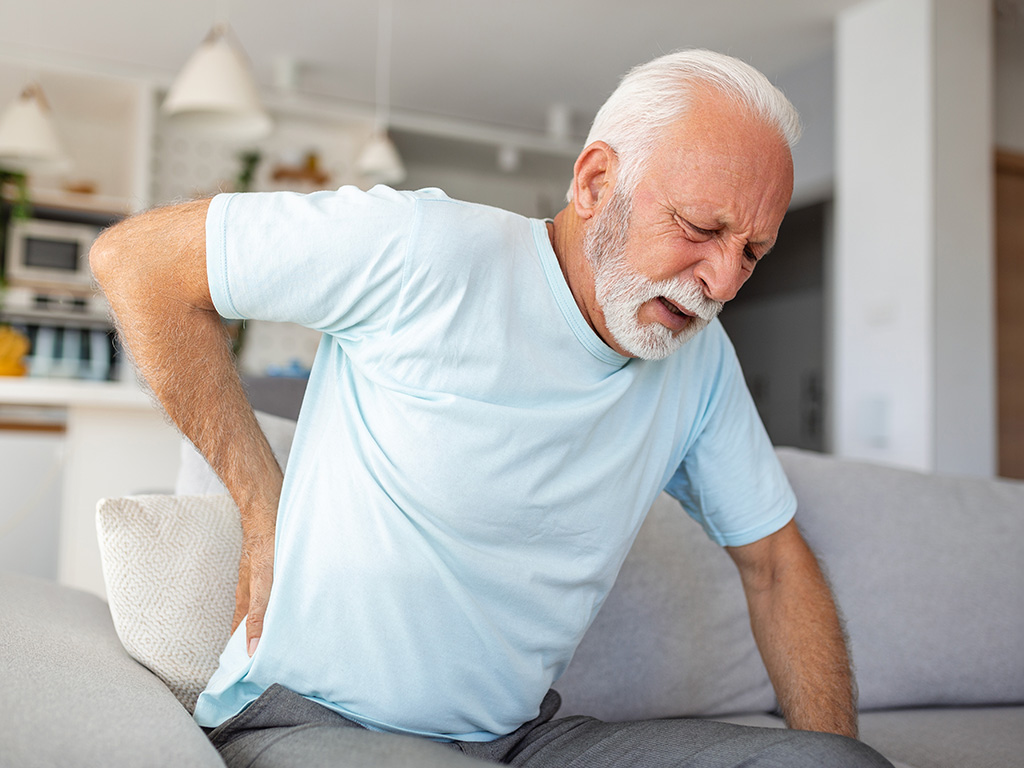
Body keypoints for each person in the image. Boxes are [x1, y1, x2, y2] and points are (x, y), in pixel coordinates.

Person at [91, 49, 893, 768]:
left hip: (522, 741)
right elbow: (136, 262)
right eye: (699, 228)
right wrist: (262, 504)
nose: (721, 282)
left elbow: (777, 566)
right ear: (595, 183)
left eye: (751, 251)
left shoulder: (699, 362)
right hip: (307, 720)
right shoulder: (422, 248)